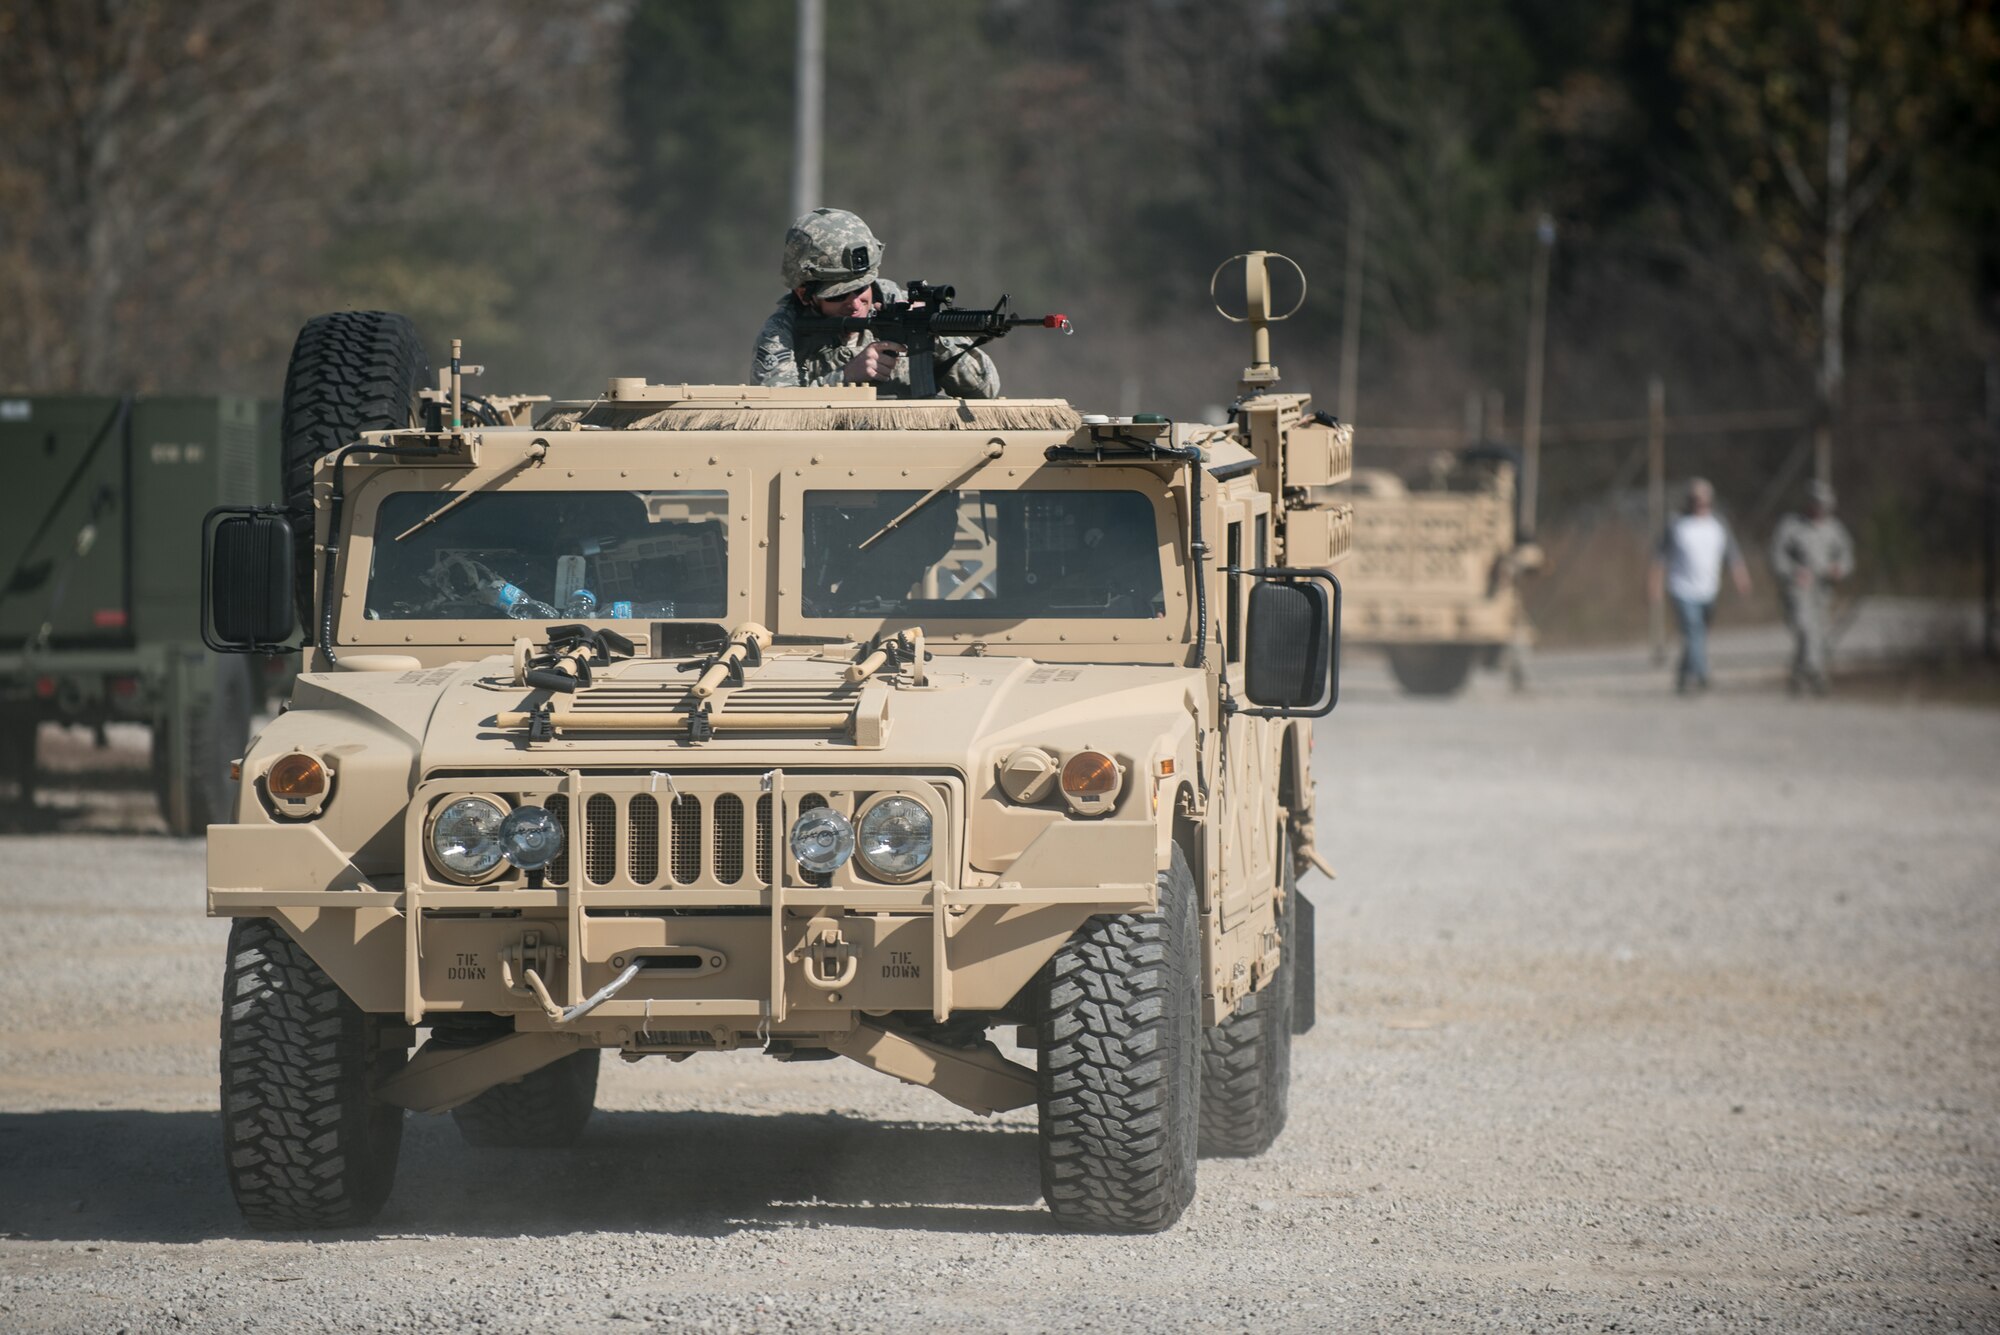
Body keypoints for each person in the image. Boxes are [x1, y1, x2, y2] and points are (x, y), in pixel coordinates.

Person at [752, 208, 1001, 398]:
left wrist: (937, 340)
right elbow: (773, 414)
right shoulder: (782, 334)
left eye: (861, 288)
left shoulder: (898, 302)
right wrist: (845, 377)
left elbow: (986, 389)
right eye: (838, 295)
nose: (855, 303)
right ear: (803, 294)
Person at [1649, 477, 1752, 694]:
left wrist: (1741, 579)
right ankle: (1702, 673)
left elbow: (1732, 555)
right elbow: (1660, 557)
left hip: (1709, 589)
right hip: (1682, 589)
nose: (1699, 503)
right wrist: (1654, 585)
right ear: (1688, 500)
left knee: (1697, 635)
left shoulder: (1718, 525)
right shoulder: (1676, 524)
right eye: (1695, 499)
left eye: (1703, 500)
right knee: (1693, 631)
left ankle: (1683, 676)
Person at [1769, 479, 1854, 695]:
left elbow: (1846, 557)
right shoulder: (1791, 525)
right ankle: (1817, 675)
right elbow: (1776, 556)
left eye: (1824, 504)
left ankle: (1799, 677)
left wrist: (1839, 569)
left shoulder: (1834, 529)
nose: (1820, 508)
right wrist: (1793, 571)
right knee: (1804, 629)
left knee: (1818, 633)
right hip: (1797, 589)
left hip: (1823, 589)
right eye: (1816, 503)